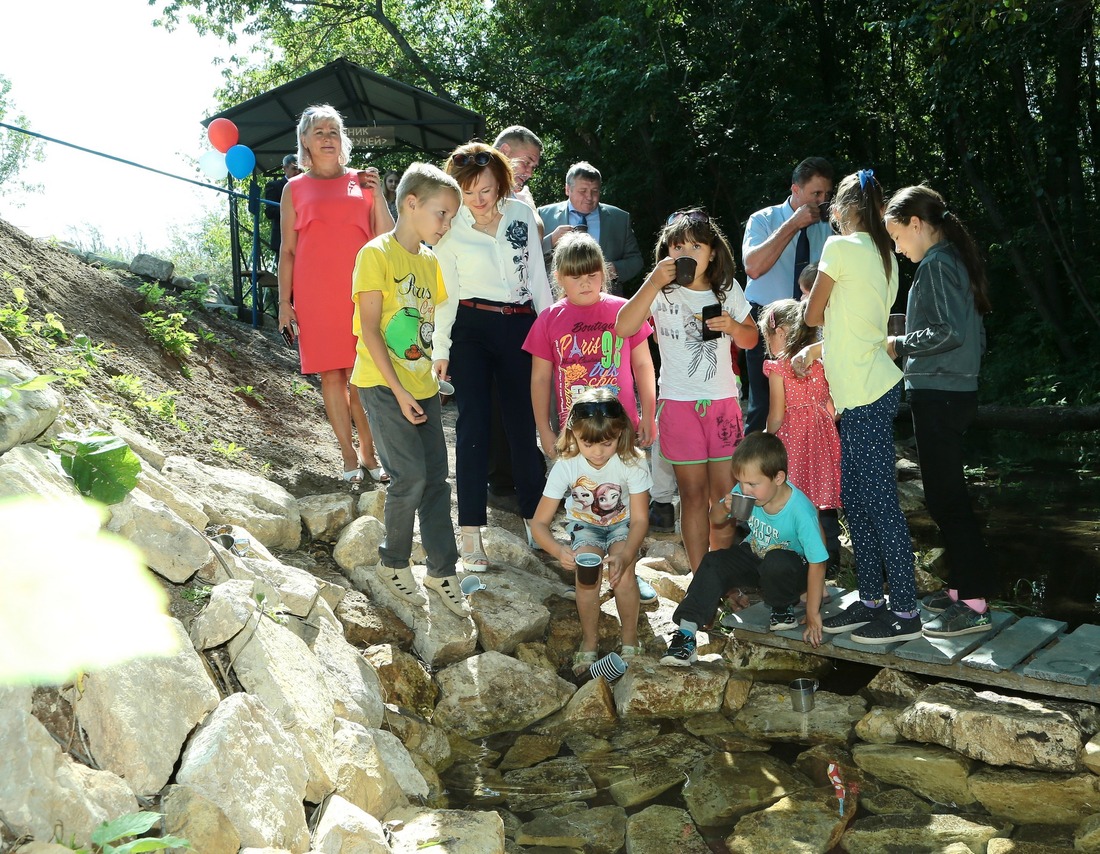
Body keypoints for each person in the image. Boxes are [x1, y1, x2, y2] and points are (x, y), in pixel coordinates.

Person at [800, 169, 921, 644]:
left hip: (866, 394)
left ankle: (906, 611)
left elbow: (812, 312)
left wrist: (817, 328)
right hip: (866, 389)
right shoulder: (887, 253)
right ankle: (871, 597)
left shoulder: (841, 248)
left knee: (880, 505)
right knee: (856, 499)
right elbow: (854, 324)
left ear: (845, 209)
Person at [350, 163, 469, 616]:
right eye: (442, 214)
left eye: (451, 217)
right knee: (410, 477)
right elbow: (370, 330)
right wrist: (399, 391)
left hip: (421, 386)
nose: (447, 224)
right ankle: (392, 561)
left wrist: (433, 372)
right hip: (382, 384)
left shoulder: (429, 261)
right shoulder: (375, 255)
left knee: (438, 480)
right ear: (411, 204)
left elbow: (426, 323)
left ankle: (442, 571)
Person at [432, 142, 554, 571]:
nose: (478, 200)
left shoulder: (521, 215)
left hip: (520, 324)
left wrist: (550, 329)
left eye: (485, 189)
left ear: (499, 182)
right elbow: (445, 297)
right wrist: (441, 350)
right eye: (468, 192)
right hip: (471, 327)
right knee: (474, 427)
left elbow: (538, 279)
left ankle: (535, 523)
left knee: (523, 427)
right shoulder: (450, 230)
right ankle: (470, 535)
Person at [615, 209, 759, 572]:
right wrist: (650, 282)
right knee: (692, 498)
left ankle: (722, 576)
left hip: (723, 404)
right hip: (678, 405)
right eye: (678, 246)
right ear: (667, 252)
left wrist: (731, 326)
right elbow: (623, 327)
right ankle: (702, 581)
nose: (687, 253)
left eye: (696, 245)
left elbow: (753, 338)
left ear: (713, 252)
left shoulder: (726, 289)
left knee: (723, 500)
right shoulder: (661, 292)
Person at [523, 232, 659, 604]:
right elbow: (539, 378)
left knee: (629, 505)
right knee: (585, 503)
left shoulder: (623, 309)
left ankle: (627, 569)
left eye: (592, 274)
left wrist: (650, 413)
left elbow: (644, 364)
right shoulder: (550, 319)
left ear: (605, 273)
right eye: (574, 276)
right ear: (559, 279)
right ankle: (589, 569)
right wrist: (544, 428)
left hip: (622, 431)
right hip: (577, 434)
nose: (585, 283)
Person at [884, 185, 994, 637]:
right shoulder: (952, 259)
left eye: (897, 236)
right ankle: (960, 586)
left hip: (939, 393)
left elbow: (947, 332)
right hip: (953, 391)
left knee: (948, 498)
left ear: (916, 224)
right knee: (944, 495)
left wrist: (899, 343)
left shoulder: (935, 264)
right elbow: (975, 334)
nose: (896, 246)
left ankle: (974, 601)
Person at [277, 104, 395, 487]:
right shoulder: (293, 189)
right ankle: (347, 454)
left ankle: (369, 453)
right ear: (305, 142)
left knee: (363, 375)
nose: (327, 138)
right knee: (332, 374)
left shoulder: (362, 181)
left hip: (362, 290)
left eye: (333, 131)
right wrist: (284, 302)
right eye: (319, 132)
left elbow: (387, 237)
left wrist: (377, 197)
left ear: (341, 139)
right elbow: (288, 251)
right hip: (315, 293)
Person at [661, 432, 829, 665]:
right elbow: (715, 518)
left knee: (777, 560)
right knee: (713, 562)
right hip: (756, 556)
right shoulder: (746, 493)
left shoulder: (800, 510)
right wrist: (725, 506)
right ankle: (686, 635)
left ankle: (783, 606)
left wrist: (812, 613)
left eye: (752, 484)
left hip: (791, 570)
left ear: (778, 478)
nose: (745, 489)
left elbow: (818, 561)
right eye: (741, 481)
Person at [529, 389, 651, 674]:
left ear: (621, 433)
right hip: (587, 527)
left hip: (623, 524)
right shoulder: (566, 466)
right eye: (588, 444)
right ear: (573, 435)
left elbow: (641, 520)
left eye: (607, 444)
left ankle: (630, 638)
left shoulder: (632, 461)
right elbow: (538, 524)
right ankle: (590, 640)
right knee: (586, 579)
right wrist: (559, 551)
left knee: (623, 574)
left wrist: (627, 554)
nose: (597, 452)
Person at [742, 157, 835, 433]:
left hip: (812, 325)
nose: (822, 201)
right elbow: (754, 267)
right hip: (767, 324)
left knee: (811, 404)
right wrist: (793, 224)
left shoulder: (829, 227)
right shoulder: (763, 220)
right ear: (795, 190)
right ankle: (754, 470)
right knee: (763, 405)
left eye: (826, 195)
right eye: (815, 194)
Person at [486, 125, 547, 514]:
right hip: (479, 312)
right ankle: (499, 480)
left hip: (521, 312)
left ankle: (527, 478)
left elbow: (537, 238)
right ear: (505, 151)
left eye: (532, 168)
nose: (527, 173)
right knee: (490, 403)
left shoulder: (520, 196)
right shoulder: (468, 192)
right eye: (525, 163)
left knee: (523, 399)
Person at [758, 298, 841, 565]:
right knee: (814, 514)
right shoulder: (820, 362)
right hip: (821, 446)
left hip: (792, 448)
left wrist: (765, 437)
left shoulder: (778, 368)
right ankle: (821, 581)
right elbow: (832, 407)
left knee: (795, 512)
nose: (768, 346)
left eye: (767, 338)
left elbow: (776, 415)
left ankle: (801, 581)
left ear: (780, 333)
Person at [538, 162, 643, 296]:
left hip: (606, 301)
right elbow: (527, 257)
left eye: (595, 191)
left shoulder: (619, 218)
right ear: (567, 189)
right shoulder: (543, 216)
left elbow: (636, 260)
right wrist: (550, 241)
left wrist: (615, 269)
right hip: (559, 302)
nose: (589, 197)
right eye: (583, 191)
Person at [264, 154, 300, 268]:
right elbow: (270, 211)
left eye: (300, 169)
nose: (298, 172)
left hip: (303, 238)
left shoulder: (307, 187)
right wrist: (289, 208)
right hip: (282, 239)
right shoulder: (274, 186)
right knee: (286, 275)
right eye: (294, 168)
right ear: (284, 168)